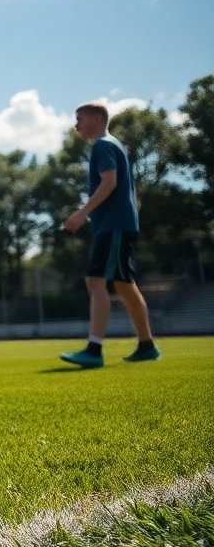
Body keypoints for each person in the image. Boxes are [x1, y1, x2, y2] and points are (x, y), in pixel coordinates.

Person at [60, 102, 161, 367]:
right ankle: (147, 345)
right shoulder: (115, 145)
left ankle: (94, 350)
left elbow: (109, 182)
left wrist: (83, 213)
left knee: (95, 281)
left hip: (114, 226)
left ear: (96, 119)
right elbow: (129, 191)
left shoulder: (103, 145)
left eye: (79, 118)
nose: (76, 124)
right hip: (120, 224)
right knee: (124, 285)